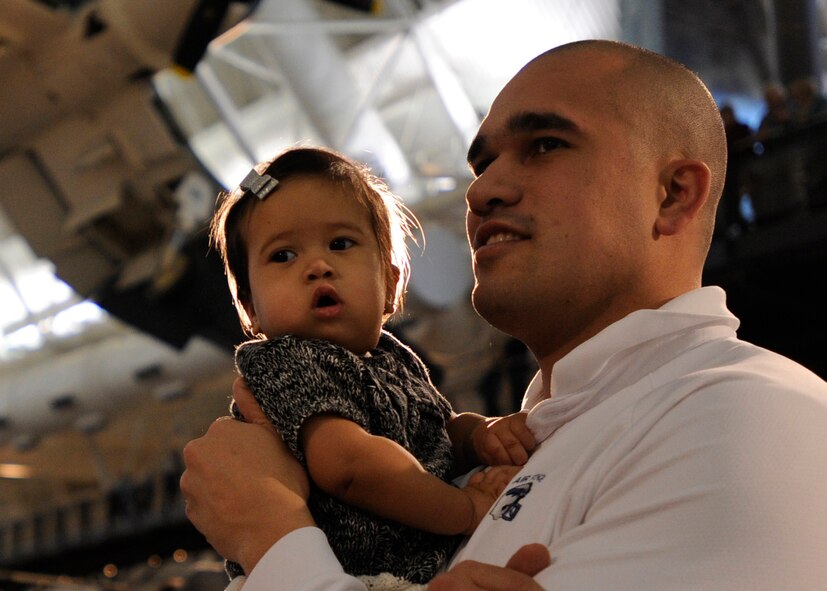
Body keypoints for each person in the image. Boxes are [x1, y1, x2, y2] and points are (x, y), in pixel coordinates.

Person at [181, 39, 827, 590]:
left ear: (671, 194)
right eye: (483, 161)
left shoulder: (746, 414)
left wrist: (268, 533)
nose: (481, 189)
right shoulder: (537, 438)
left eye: (543, 145)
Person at [206, 146, 533, 589]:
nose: (318, 267)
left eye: (341, 244)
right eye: (283, 256)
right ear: (250, 307)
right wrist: (465, 509)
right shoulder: (286, 362)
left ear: (390, 282)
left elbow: (437, 433)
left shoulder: (393, 358)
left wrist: (478, 435)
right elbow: (349, 467)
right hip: (352, 575)